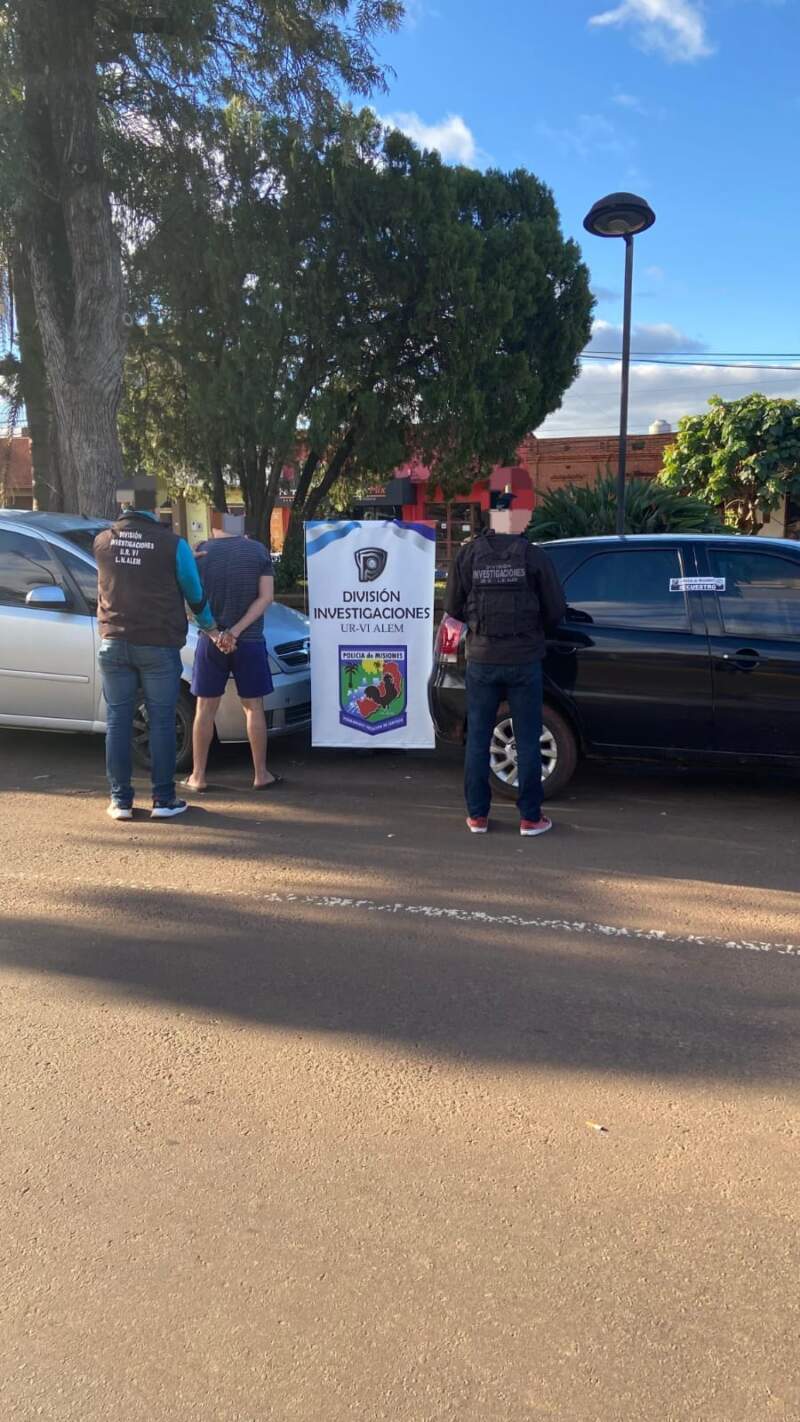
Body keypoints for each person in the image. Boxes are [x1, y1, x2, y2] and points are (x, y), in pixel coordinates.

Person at [94, 477, 223, 821]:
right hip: (157, 643)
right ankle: (163, 799)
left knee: (117, 721)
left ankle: (120, 801)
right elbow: (193, 591)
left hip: (113, 641)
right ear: (154, 504)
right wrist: (210, 627)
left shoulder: (102, 541)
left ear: (124, 502)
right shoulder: (172, 544)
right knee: (162, 721)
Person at [444, 518, 566, 836]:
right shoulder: (534, 556)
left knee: (478, 739)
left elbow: (453, 607)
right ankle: (530, 818)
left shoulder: (468, 554)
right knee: (527, 740)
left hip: (482, 659)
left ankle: (477, 817)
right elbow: (555, 610)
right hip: (523, 659)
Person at [183, 516, 278, 793]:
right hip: (249, 640)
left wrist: (216, 634)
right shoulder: (258, 551)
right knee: (253, 707)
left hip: (210, 641)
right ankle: (261, 774)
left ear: (214, 526)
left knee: (205, 708)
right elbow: (266, 597)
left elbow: (190, 599)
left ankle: (198, 776)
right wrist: (235, 632)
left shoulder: (200, 553)